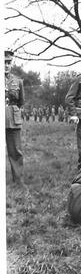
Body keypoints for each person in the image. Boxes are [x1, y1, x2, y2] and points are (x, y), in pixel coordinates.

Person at [5, 50, 25, 185]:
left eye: (9, 62)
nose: (6, 65)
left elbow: (21, 101)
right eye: (4, 62)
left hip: (12, 118)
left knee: (15, 151)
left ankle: (18, 181)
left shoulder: (18, 81)